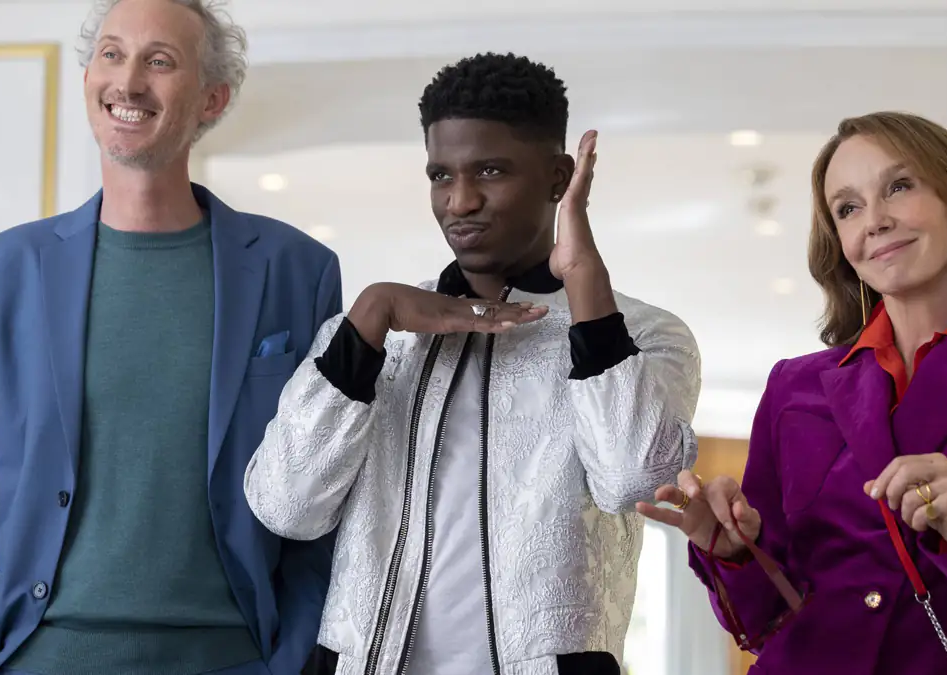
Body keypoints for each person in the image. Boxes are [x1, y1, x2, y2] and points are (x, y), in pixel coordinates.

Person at [244, 52, 701, 675]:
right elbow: (287, 507)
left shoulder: (644, 335)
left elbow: (635, 479)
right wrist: (370, 318)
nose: (460, 201)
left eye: (490, 170)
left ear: (558, 177)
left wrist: (583, 281)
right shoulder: (375, 337)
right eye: (441, 175)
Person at [639, 111, 947, 674]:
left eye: (899, 186)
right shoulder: (794, 387)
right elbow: (767, 620)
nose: (875, 221)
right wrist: (732, 553)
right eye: (848, 208)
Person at [0, 1, 340, 673]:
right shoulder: (3, 271)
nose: (127, 83)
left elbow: (322, 497)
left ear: (212, 98)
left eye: (159, 61)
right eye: (112, 54)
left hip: (229, 658)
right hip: (42, 658)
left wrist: (293, 661)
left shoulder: (297, 271)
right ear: (89, 77)